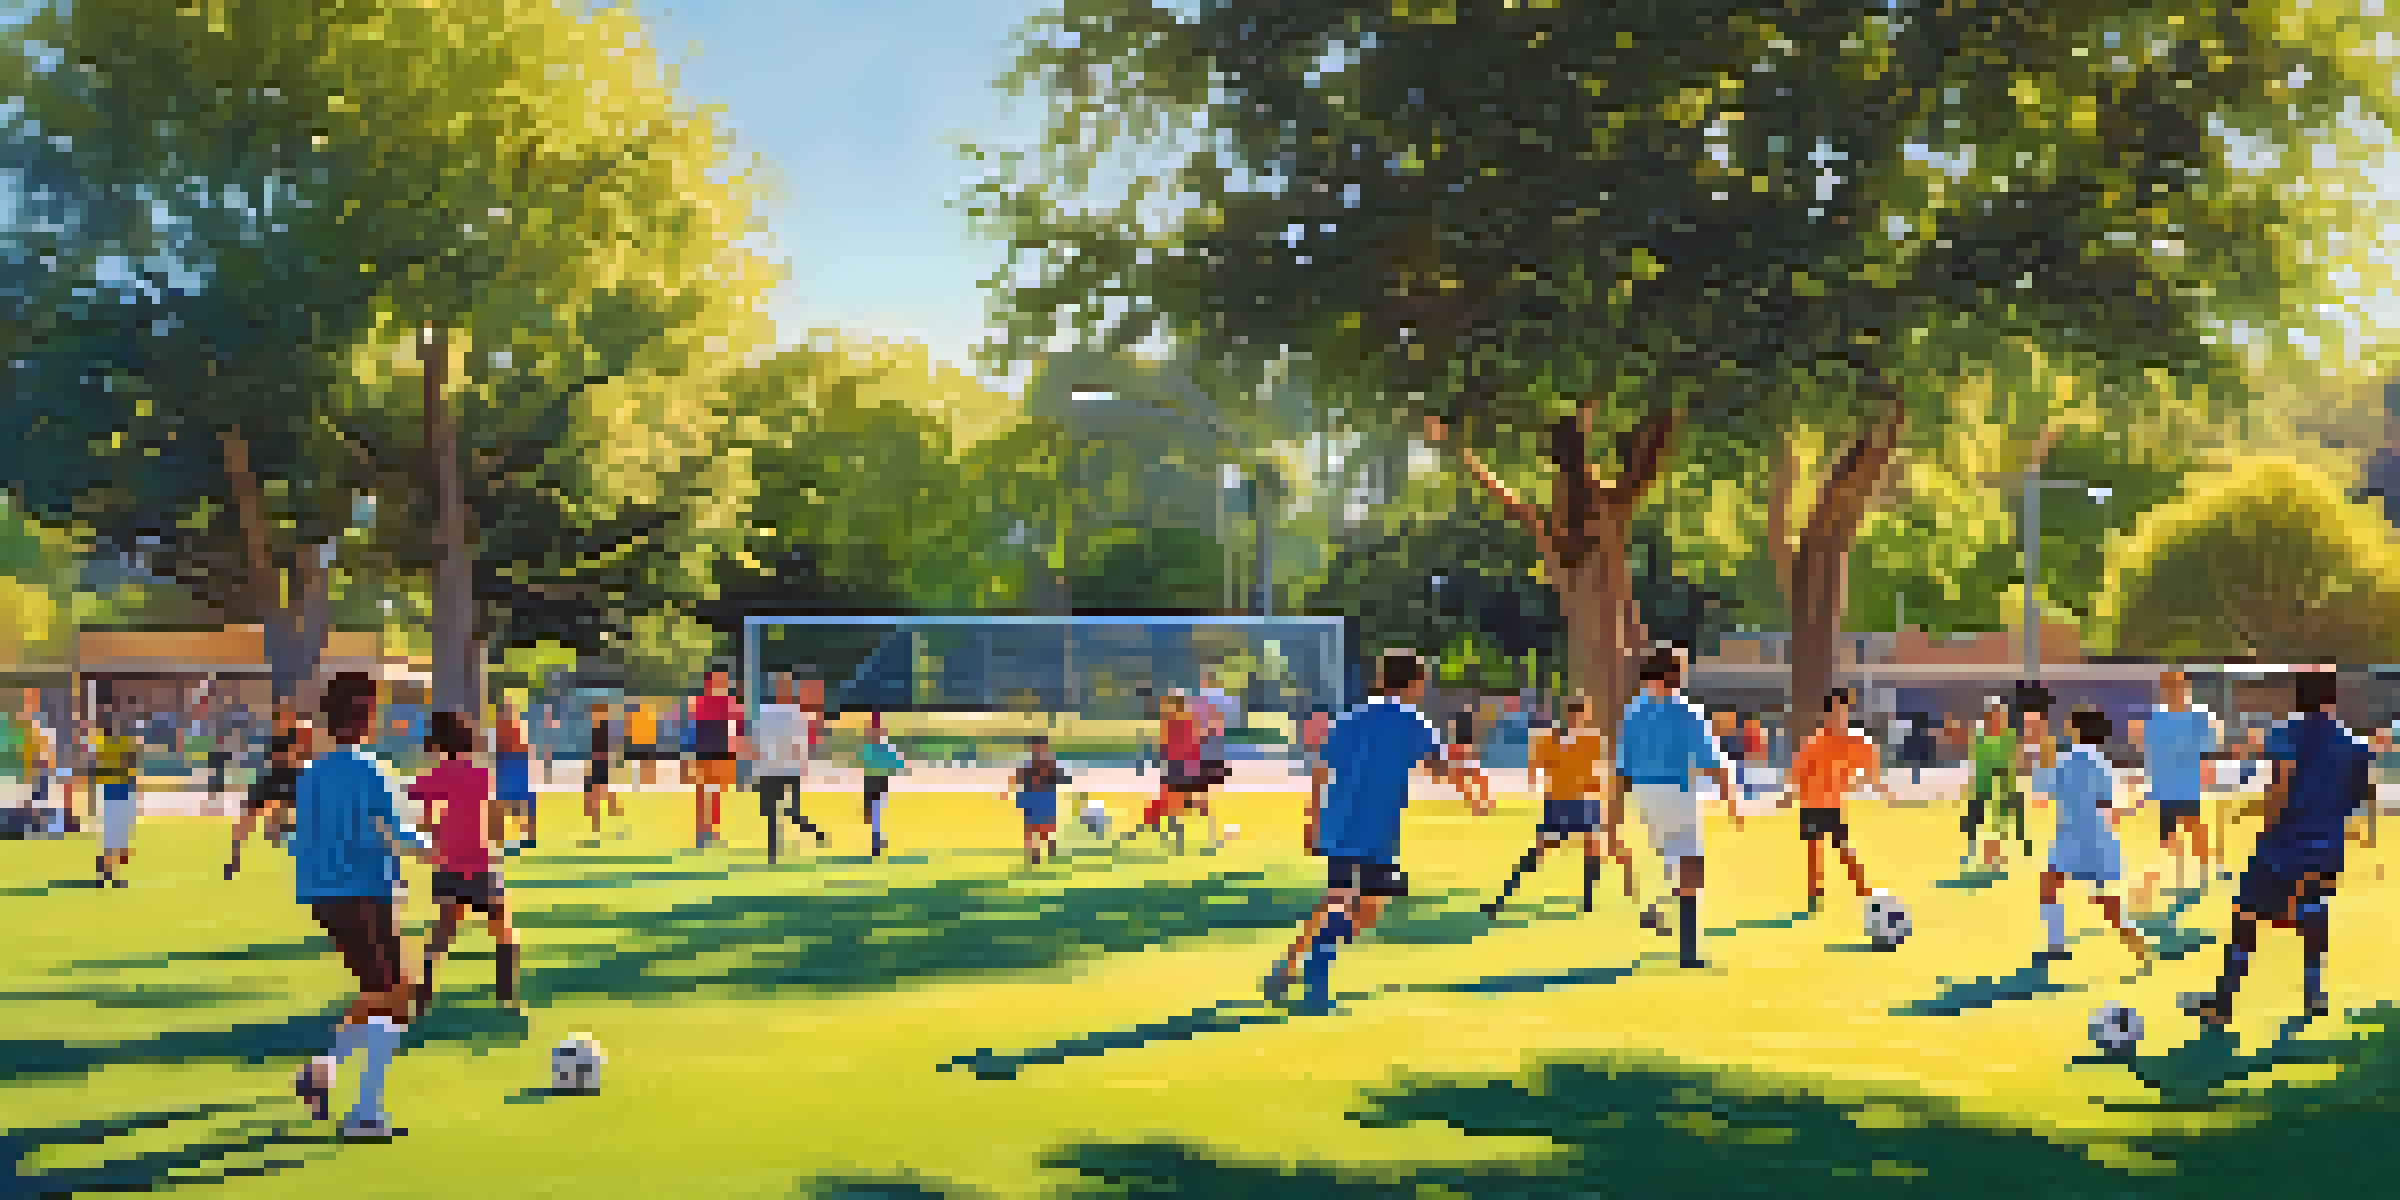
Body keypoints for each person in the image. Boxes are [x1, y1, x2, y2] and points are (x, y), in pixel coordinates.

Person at [1265, 650, 1467, 1014]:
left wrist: (1313, 820)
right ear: (1414, 682)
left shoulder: (1350, 718)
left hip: (1341, 823)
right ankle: (1315, 973)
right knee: (1347, 904)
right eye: (1423, 680)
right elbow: (1439, 770)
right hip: (1375, 828)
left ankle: (1292, 965)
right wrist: (1461, 764)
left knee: (1355, 906)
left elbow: (1320, 771)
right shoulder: (1412, 720)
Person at [287, 671, 432, 1141]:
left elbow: (297, 839)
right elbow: (400, 832)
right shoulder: (372, 769)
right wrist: (441, 848)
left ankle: (326, 1073)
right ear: (367, 715)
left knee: (393, 994)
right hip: (363, 891)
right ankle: (363, 1111)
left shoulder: (311, 774)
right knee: (392, 995)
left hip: (326, 893)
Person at [2186, 670, 2373, 1027]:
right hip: (2328, 846)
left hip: (2285, 844)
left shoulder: (2288, 732)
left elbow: (2281, 787)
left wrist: (2264, 825)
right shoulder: (2354, 743)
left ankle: (2222, 1004)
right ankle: (2314, 991)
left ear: (2298, 698)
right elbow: (2359, 797)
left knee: (2246, 915)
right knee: (2313, 909)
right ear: (2333, 699)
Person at [1618, 650, 1733, 969]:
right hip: (1677, 792)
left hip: (1643, 794)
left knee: (1670, 858)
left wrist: (1616, 810)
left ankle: (1659, 904)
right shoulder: (1685, 710)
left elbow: (1622, 767)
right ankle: (1688, 950)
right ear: (1674, 675)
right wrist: (1729, 793)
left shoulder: (1632, 712)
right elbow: (1711, 758)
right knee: (1691, 866)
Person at [1482, 694, 1632, 919]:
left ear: (1585, 715)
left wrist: (1608, 793)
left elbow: (1604, 770)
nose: (1577, 718)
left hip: (1582, 801)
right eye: (1575, 713)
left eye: (1580, 713)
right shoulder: (1555, 739)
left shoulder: (1589, 740)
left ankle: (1589, 902)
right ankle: (1503, 896)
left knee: (1593, 849)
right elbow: (1537, 766)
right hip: (1560, 803)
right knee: (1541, 850)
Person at [413, 710, 524, 1015]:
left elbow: (422, 821)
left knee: (443, 930)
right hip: (480, 863)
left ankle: (423, 992)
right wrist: (500, 839)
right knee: (503, 927)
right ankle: (507, 996)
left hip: (447, 863)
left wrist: (439, 832)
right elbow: (495, 820)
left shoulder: (431, 778)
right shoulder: (481, 774)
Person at [2035, 707, 2151, 973]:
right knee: (2102, 899)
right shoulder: (2103, 762)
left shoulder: (2066, 759)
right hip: (2099, 835)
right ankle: (2135, 937)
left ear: (2076, 730)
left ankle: (2056, 946)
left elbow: (2043, 791)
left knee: (2049, 885)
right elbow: (2107, 802)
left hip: (2073, 835)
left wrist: (2042, 756)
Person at [1790, 688, 1887, 913]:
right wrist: (1794, 793)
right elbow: (1799, 771)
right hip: (1810, 802)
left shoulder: (1855, 740)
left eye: (1841, 710)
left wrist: (1862, 780)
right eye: (1832, 710)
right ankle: (1815, 896)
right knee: (1814, 851)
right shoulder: (1816, 740)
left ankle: (1864, 891)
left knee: (1843, 850)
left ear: (1847, 712)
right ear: (1826, 714)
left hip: (1832, 805)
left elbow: (1871, 760)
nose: (1837, 714)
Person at [2131, 669, 2221, 908]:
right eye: (2170, 686)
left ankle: (2203, 875)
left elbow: (2208, 745)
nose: (2174, 691)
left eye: (2179, 686)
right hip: (2165, 786)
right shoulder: (2156, 718)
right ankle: (2176, 878)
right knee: (2170, 837)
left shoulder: (2197, 716)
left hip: (2187, 785)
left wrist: (2206, 766)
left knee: (2193, 827)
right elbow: (2147, 750)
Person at [226, 708, 309, 880]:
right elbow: (277, 758)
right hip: (274, 777)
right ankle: (234, 861)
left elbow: (299, 757)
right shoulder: (273, 735)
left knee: (311, 817)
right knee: (246, 815)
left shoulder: (299, 732)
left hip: (292, 777)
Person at [754, 674, 827, 859]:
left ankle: (812, 834)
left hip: (788, 769)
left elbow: (801, 743)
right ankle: (773, 853)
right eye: (781, 686)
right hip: (771, 769)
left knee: (790, 813)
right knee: (770, 813)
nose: (783, 690)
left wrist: (802, 765)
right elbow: (757, 741)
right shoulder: (766, 712)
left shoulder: (796, 713)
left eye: (786, 686)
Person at [688, 668, 745, 850]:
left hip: (719, 753)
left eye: (723, 681)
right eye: (717, 680)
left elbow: (738, 727)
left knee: (713, 794)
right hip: (704, 753)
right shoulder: (701, 703)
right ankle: (701, 832)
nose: (721, 684)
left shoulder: (727, 702)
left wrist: (735, 749)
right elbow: (691, 730)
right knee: (703, 793)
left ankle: (711, 831)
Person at [1968, 703, 2022, 869]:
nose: (1998, 719)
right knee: (1987, 827)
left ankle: (1995, 858)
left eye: (2000, 716)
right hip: (1985, 790)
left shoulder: (2008, 739)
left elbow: (2011, 766)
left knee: (1999, 827)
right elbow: (1979, 767)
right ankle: (1990, 859)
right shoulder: (1982, 740)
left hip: (2003, 790)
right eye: (1994, 716)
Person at [91, 704, 139, 888]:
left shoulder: (102, 745)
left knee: (113, 837)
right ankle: (107, 874)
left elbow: (97, 770)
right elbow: (130, 765)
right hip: (121, 792)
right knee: (117, 838)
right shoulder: (121, 743)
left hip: (110, 793)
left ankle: (106, 874)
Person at [1013, 735, 1071, 866]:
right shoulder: (1029, 765)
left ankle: (1050, 851)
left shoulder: (1050, 764)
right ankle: (1035, 855)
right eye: (1036, 747)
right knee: (1032, 828)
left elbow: (1061, 779)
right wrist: (1021, 799)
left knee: (1047, 826)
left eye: (1041, 747)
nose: (1038, 749)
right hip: (1032, 797)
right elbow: (1021, 781)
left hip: (1045, 797)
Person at [860, 711, 905, 857]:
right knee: (874, 812)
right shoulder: (881, 746)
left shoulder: (873, 746)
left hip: (874, 781)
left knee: (874, 812)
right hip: (877, 781)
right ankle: (876, 841)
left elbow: (895, 764)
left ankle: (876, 842)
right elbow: (897, 764)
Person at [494, 699, 538, 851]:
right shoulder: (502, 729)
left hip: (514, 766)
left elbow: (527, 748)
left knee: (521, 803)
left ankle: (528, 837)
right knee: (506, 804)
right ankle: (524, 838)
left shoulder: (513, 728)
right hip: (509, 766)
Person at [583, 702, 620, 843]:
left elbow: (604, 751)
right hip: (597, 765)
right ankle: (606, 819)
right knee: (596, 794)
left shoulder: (603, 730)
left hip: (600, 765)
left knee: (596, 794)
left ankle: (597, 826)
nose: (593, 717)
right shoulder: (597, 729)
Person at [624, 701, 660, 788]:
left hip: (643, 741)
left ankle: (646, 782)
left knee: (643, 763)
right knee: (644, 763)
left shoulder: (637, 713)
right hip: (644, 741)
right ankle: (647, 782)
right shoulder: (648, 712)